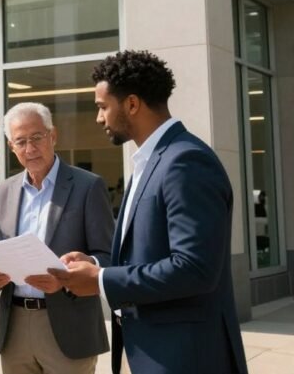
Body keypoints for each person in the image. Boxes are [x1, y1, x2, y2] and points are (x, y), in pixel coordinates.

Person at [49, 50, 248, 374]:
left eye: (102, 107)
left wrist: (100, 280)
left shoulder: (185, 162)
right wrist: (95, 264)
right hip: (148, 350)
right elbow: (142, 255)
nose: (99, 118)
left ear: (131, 104)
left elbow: (195, 269)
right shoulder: (150, 161)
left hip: (185, 357)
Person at [0, 102, 113, 373]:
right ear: (11, 146)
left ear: (52, 136)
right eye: (21, 141)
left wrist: (68, 279)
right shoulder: (2, 192)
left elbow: (109, 257)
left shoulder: (88, 186)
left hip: (69, 327)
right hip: (14, 327)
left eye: (37, 138)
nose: (30, 149)